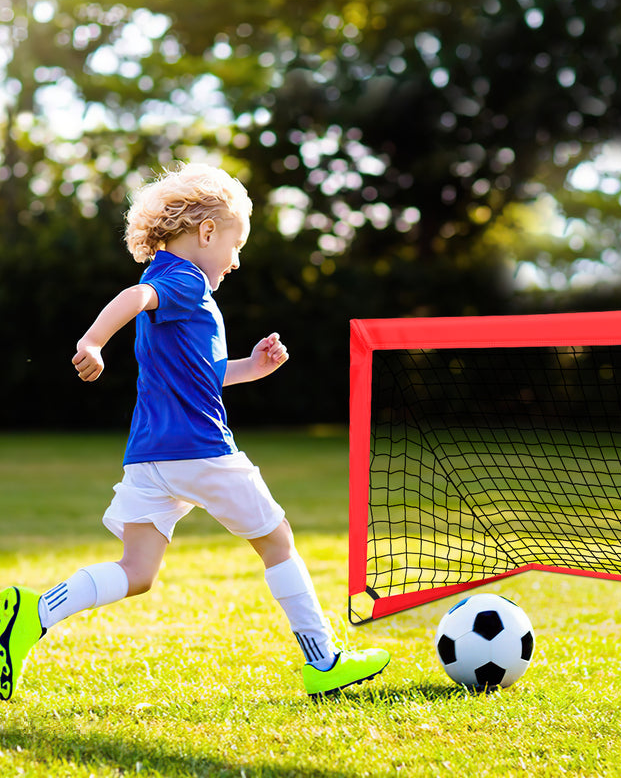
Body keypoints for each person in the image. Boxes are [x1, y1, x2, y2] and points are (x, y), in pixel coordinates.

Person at [0, 163, 389, 701]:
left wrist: (251, 367)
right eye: (235, 245)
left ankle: (31, 615)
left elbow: (198, 374)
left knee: (137, 572)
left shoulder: (174, 283)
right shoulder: (180, 279)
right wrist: (92, 342)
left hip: (148, 457)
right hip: (201, 451)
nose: (236, 261)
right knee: (277, 541)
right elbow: (132, 300)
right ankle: (323, 662)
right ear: (206, 232)